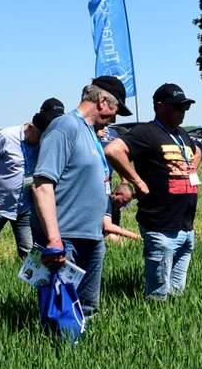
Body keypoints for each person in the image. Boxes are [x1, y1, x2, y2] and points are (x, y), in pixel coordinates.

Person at [31, 76, 131, 319]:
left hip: (91, 236)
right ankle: (57, 354)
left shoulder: (89, 132)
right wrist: (54, 239)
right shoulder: (65, 127)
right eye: (116, 109)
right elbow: (42, 184)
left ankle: (82, 353)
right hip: (66, 239)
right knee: (60, 312)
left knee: (87, 309)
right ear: (103, 101)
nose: (116, 117)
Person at [105, 83, 202, 301]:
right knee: (158, 295)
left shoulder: (182, 134)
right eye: (177, 107)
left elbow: (197, 152)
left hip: (186, 225)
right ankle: (156, 325)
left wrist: (191, 169)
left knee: (177, 293)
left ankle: (173, 326)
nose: (182, 111)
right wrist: (136, 182)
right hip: (160, 225)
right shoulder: (146, 131)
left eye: (185, 107)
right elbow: (113, 150)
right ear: (160, 106)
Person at [0, 98, 65, 266]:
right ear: (31, 126)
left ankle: (25, 285)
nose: (40, 140)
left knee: (28, 252)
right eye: (39, 136)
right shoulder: (6, 137)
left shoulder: (45, 143)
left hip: (25, 207)